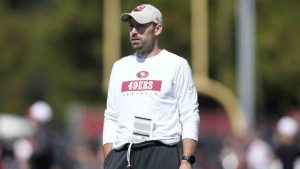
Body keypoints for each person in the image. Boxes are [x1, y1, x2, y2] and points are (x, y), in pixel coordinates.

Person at [102, 4, 200, 169]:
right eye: (131, 26)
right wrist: (109, 158)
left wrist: (186, 159)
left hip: (161, 151)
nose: (134, 31)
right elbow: (111, 116)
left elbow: (189, 114)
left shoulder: (176, 64)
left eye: (140, 26)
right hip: (123, 152)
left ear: (157, 29)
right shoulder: (120, 67)